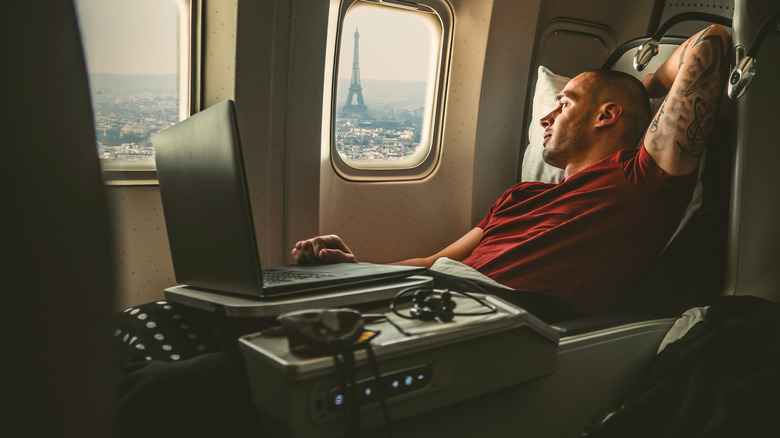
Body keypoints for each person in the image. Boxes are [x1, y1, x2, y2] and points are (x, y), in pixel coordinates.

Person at [293, 25, 732, 317]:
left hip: (494, 314)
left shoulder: (641, 181)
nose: (545, 118)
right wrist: (356, 272)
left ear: (606, 116)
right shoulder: (519, 196)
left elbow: (712, 41)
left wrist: (639, 87)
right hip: (431, 294)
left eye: (563, 104)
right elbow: (431, 262)